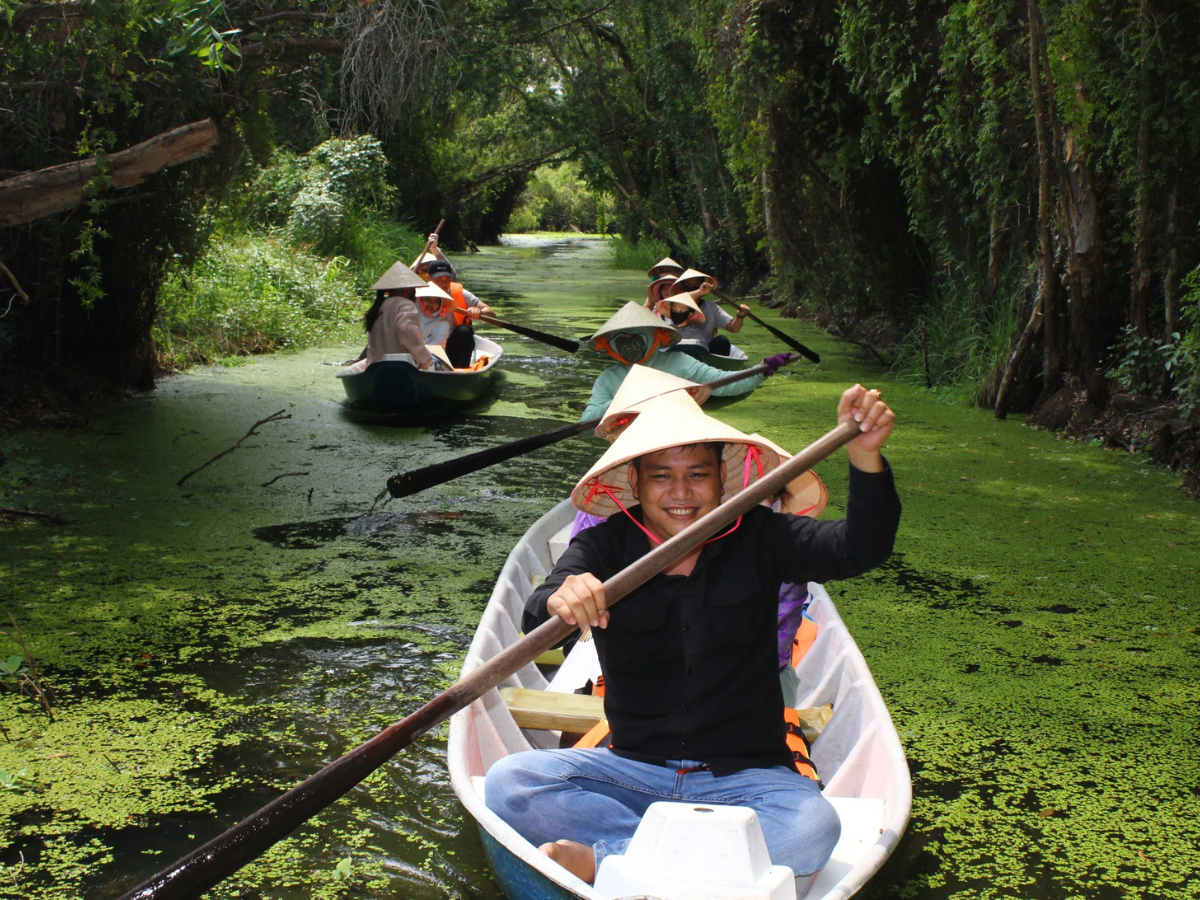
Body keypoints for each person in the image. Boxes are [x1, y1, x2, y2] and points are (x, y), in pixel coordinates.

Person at [484, 386, 900, 884]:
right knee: (510, 784)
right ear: (635, 483)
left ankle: (612, 856)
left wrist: (865, 454)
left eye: (697, 474)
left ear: (722, 478)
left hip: (751, 780)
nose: (680, 493)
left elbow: (861, 547)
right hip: (634, 770)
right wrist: (562, 596)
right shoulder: (604, 544)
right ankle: (700, 858)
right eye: (662, 476)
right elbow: (539, 610)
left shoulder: (764, 536)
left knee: (813, 828)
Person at [580, 302, 787, 421]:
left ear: (654, 336)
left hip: (680, 445)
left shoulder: (679, 363)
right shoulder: (608, 379)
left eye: (636, 338)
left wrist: (761, 370)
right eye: (621, 340)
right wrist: (620, 401)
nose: (629, 345)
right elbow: (587, 423)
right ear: (610, 346)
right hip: (630, 453)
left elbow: (725, 383)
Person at [363, 261, 437, 370]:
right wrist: (425, 359)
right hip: (400, 368)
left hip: (375, 367)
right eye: (414, 289)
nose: (415, 293)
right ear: (407, 290)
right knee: (434, 363)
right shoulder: (405, 304)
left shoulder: (379, 306)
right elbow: (406, 330)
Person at [425, 259, 494, 368]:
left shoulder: (460, 293)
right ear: (428, 278)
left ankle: (461, 372)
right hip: (425, 345)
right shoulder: (417, 295)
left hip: (451, 347)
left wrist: (479, 311)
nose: (444, 284)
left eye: (447, 279)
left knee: (464, 331)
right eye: (439, 279)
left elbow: (490, 313)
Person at [667, 268, 750, 357]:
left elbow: (734, 329)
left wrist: (740, 316)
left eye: (696, 284)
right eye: (689, 285)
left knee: (722, 341)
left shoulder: (711, 308)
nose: (693, 287)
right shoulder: (674, 305)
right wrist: (698, 292)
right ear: (683, 286)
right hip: (678, 348)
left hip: (703, 350)